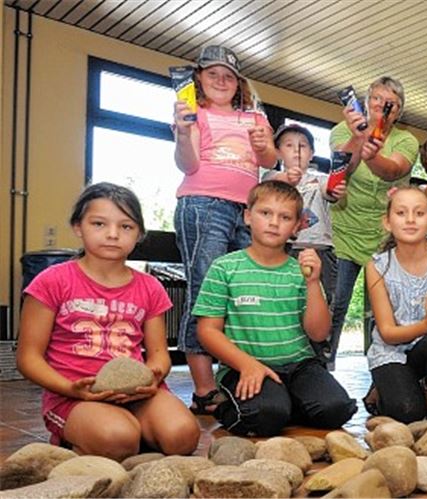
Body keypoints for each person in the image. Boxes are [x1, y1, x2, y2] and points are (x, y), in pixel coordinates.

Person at [18, 183, 199, 460]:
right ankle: (84, 438)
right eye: (99, 224)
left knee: (183, 436)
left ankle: (132, 434)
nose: (113, 234)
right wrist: (70, 388)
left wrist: (152, 377)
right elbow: (28, 357)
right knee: (118, 439)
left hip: (137, 393)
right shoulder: (52, 281)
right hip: (74, 396)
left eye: (126, 226)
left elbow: (159, 354)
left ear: (139, 234)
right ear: (78, 227)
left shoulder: (150, 287)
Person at [195, 180, 356, 436]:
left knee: (337, 409)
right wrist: (247, 365)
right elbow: (207, 331)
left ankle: (283, 403)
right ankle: (227, 407)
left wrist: (313, 283)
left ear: (297, 226)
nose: (274, 222)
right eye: (265, 213)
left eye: (285, 217)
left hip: (300, 365)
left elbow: (319, 333)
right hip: (244, 365)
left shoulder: (301, 271)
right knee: (265, 415)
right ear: (248, 216)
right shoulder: (224, 267)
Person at [172, 45, 277, 415]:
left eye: (228, 75)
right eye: (212, 73)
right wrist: (183, 133)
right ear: (199, 77)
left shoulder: (254, 116)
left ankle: (238, 376)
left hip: (248, 210)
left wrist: (264, 146)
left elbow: (269, 160)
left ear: (238, 83)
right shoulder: (193, 113)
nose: (220, 80)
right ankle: (204, 390)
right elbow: (187, 165)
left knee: (245, 290)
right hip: (203, 205)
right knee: (206, 291)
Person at [327, 76, 419, 370]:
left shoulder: (406, 140)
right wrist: (359, 137)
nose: (382, 105)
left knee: (381, 312)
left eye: (391, 102)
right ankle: (323, 368)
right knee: (336, 304)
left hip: (384, 239)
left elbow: (393, 171)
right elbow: (342, 169)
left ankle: (382, 374)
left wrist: (373, 155)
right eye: (376, 98)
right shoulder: (341, 130)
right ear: (365, 103)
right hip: (344, 231)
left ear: (398, 110)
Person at [362, 186, 427, 422]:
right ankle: (385, 383)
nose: (410, 220)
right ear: (387, 222)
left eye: (419, 213)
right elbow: (387, 333)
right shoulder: (377, 267)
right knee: (408, 412)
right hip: (390, 352)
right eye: (401, 213)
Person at [273, 125, 345, 352]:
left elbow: (330, 190)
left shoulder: (319, 179)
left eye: (303, 146)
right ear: (278, 153)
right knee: (286, 299)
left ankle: (319, 352)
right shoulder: (272, 177)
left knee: (323, 300)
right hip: (286, 248)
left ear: (311, 154)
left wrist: (336, 188)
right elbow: (269, 188)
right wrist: (287, 179)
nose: (296, 151)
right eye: (289, 145)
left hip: (320, 249)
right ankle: (287, 348)